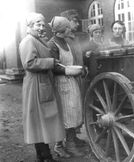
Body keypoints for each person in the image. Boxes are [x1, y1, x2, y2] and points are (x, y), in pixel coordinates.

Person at [19, 12, 65, 162]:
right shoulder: (28, 41)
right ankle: (46, 156)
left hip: (43, 84)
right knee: (38, 121)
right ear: (30, 26)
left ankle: (42, 155)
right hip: (35, 86)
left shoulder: (38, 40)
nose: (41, 27)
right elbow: (29, 63)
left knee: (42, 121)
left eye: (42, 23)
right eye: (38, 24)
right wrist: (51, 62)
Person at [48, 16, 84, 158]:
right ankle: (63, 145)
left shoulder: (65, 41)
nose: (71, 29)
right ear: (62, 29)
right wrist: (66, 70)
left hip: (71, 81)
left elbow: (69, 61)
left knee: (74, 111)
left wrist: (78, 69)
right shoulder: (52, 45)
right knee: (66, 114)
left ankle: (71, 140)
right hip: (61, 83)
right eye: (68, 27)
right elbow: (52, 66)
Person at [60, 9, 87, 146]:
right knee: (69, 108)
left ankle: (74, 135)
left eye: (77, 21)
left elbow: (78, 56)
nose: (77, 24)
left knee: (77, 107)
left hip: (78, 76)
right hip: (69, 77)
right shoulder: (63, 40)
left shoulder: (74, 37)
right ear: (66, 22)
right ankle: (68, 140)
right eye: (74, 21)